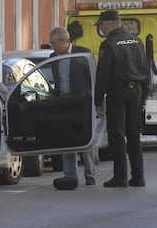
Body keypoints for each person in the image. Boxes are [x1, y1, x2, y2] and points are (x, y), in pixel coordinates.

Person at [95, 10, 149, 188]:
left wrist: (97, 100)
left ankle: (120, 177)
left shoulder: (108, 44)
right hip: (137, 91)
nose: (102, 29)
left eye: (102, 25)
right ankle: (138, 177)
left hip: (117, 91)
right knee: (134, 134)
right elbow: (145, 68)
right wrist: (144, 96)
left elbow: (103, 75)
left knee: (117, 135)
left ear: (109, 24)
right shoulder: (137, 40)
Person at [48, 26, 96, 190]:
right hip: (62, 100)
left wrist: (93, 99)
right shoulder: (53, 57)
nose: (52, 46)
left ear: (65, 41)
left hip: (81, 101)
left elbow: (92, 76)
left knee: (84, 137)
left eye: (54, 43)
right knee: (66, 139)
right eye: (51, 43)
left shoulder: (82, 53)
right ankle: (70, 174)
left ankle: (90, 174)